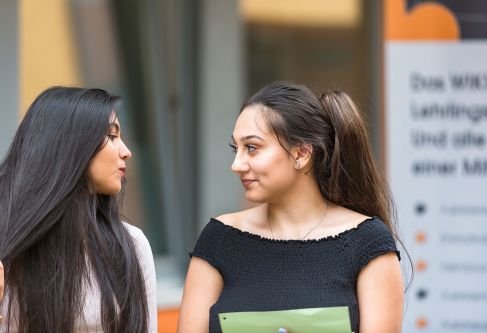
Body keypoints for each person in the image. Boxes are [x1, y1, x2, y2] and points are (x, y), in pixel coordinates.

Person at [177, 81, 404, 333]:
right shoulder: (219, 238)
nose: (237, 164)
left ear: (301, 154)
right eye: (236, 148)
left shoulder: (367, 242)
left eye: (252, 148)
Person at [0, 87, 157, 332]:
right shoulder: (8, 247)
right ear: (72, 145)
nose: (126, 152)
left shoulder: (132, 245)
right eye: (112, 136)